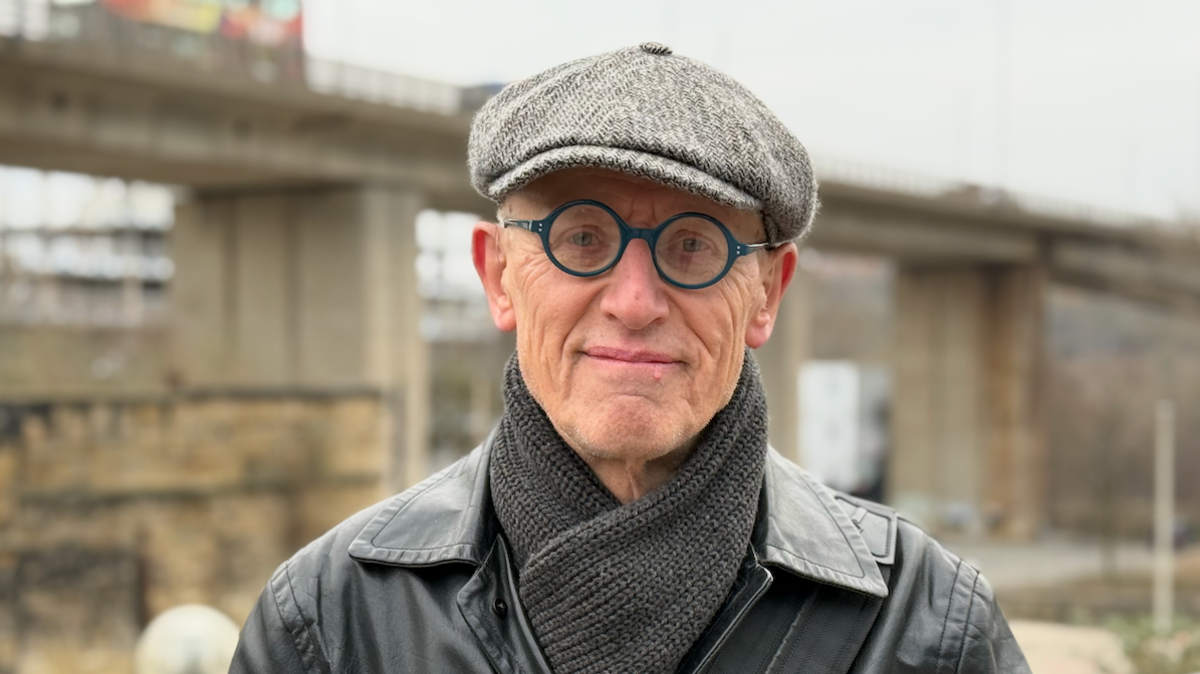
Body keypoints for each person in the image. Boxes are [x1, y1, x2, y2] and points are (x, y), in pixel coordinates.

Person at [230, 43, 1031, 674]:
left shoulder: (927, 627)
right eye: (582, 239)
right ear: (498, 277)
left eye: (693, 246)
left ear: (767, 293)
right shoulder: (331, 622)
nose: (634, 301)